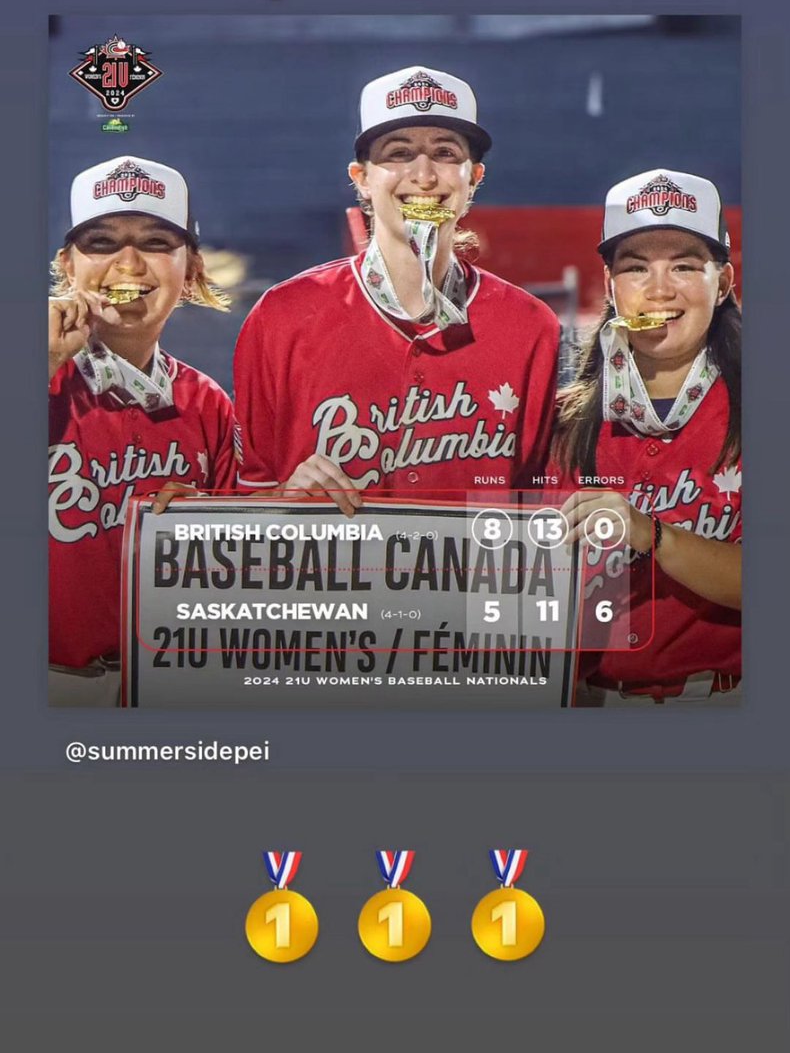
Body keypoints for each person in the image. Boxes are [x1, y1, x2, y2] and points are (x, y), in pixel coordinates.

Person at [234, 65, 560, 511]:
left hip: (474, 581)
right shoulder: (284, 315)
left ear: (474, 178)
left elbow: (536, 502)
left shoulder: (528, 326)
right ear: (362, 179)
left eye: (445, 153)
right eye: (398, 153)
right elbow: (239, 502)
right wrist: (284, 500)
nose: (423, 175)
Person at [48, 155, 237, 704]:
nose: (128, 265)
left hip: (173, 684)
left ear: (193, 268)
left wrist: (209, 527)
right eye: (102, 243)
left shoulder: (207, 403)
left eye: (156, 242)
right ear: (68, 266)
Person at [550, 169, 741, 704]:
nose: (659, 289)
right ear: (611, 287)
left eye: (684, 265)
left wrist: (651, 534)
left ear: (722, 283)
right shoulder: (561, 423)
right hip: (582, 705)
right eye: (636, 268)